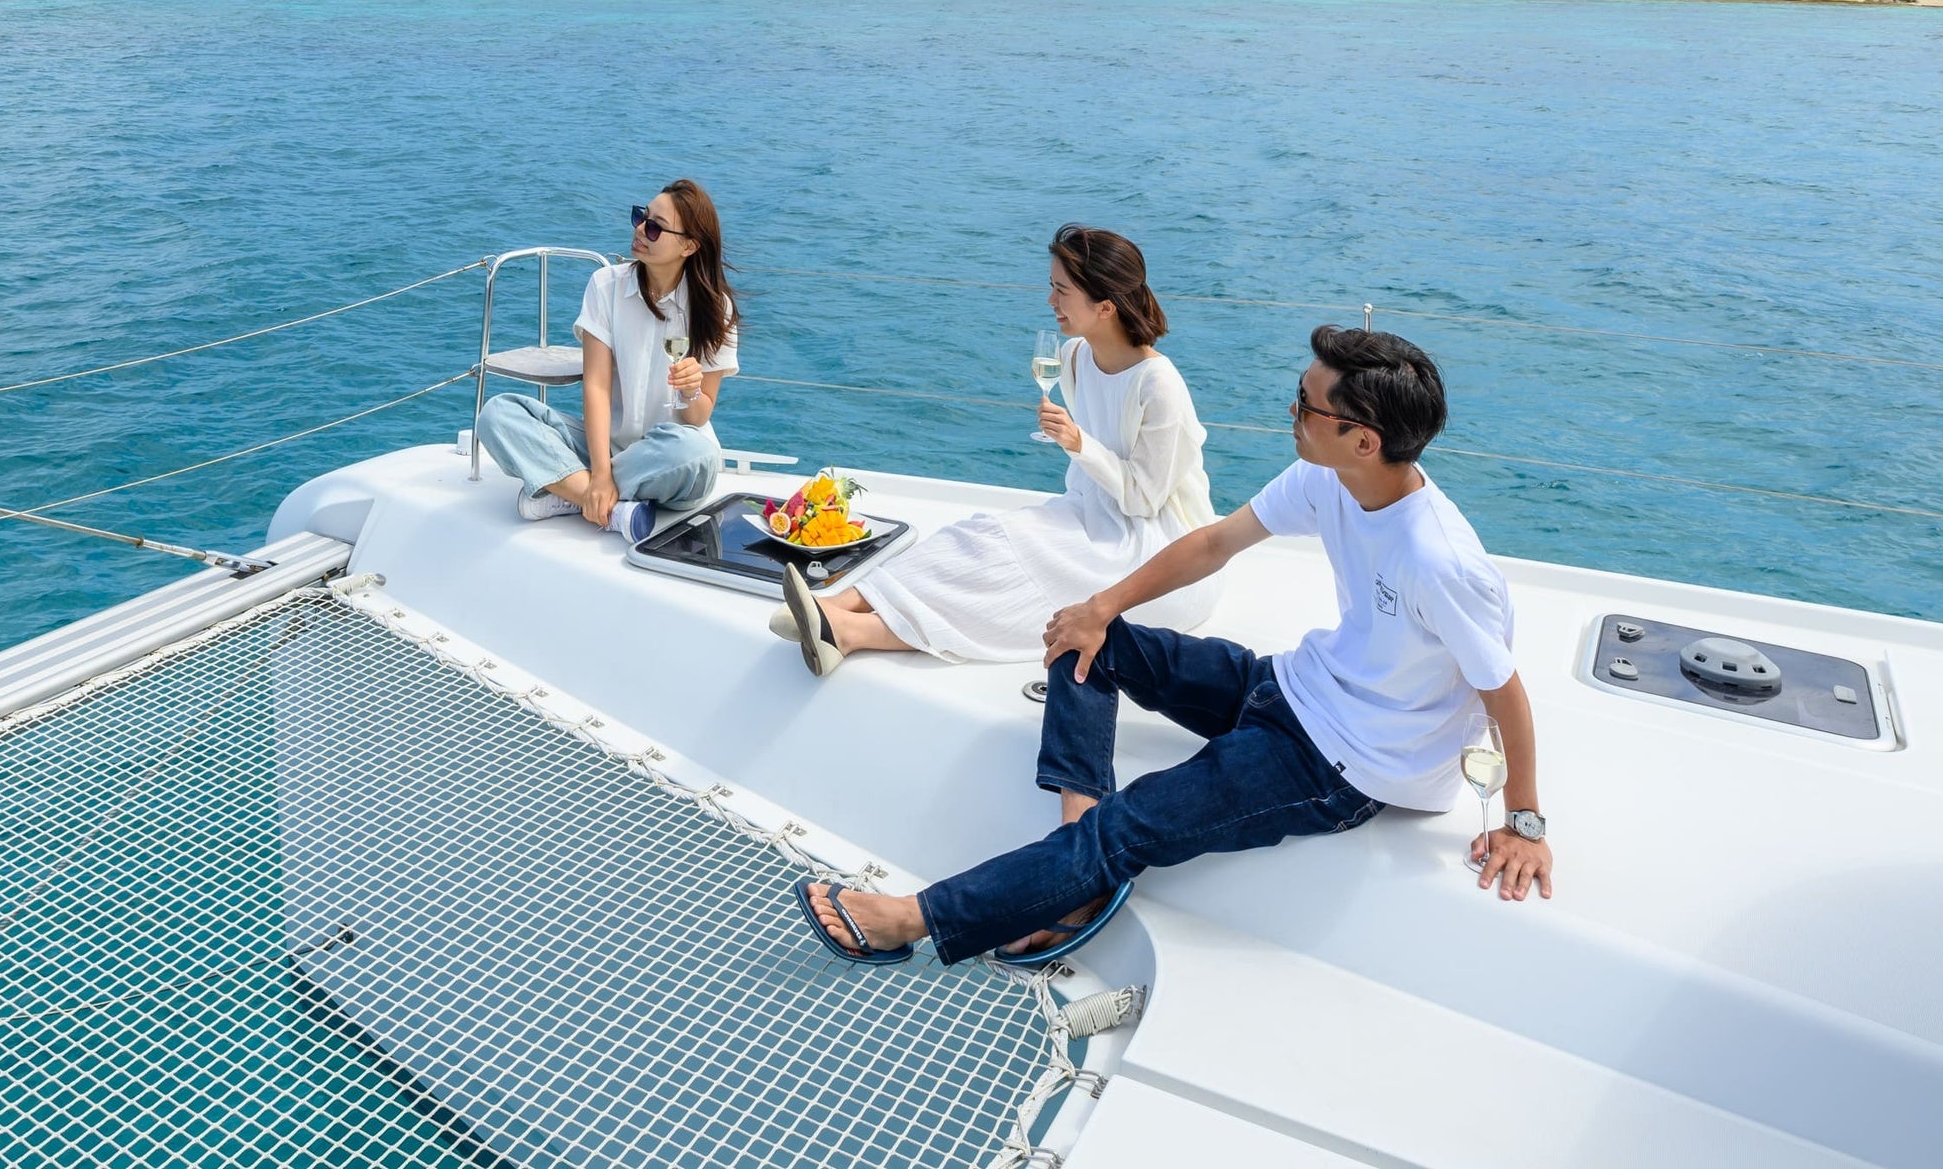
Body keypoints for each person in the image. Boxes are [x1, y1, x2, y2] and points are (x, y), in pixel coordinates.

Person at [796, 323, 1552, 969]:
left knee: (1131, 824)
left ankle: (911, 921)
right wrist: (1102, 606)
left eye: (1305, 404)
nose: (1290, 412)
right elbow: (1215, 542)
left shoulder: (1438, 560)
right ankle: (1078, 852)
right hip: (1291, 684)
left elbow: (1505, 691)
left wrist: (1524, 822)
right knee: (1082, 636)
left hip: (1341, 763)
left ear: (1363, 439)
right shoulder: (1328, 478)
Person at [773, 226, 1212, 676]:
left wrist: (1080, 444)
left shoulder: (1158, 384)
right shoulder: (1075, 356)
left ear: (1105, 306)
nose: (1050, 301)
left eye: (1062, 291)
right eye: (1052, 286)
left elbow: (1144, 500)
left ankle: (851, 632)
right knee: (980, 535)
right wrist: (1081, 450)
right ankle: (837, 605)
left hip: (1155, 549)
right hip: (1090, 511)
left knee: (1013, 576)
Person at [477, 179, 738, 542]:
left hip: (668, 458)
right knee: (497, 414)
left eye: (655, 228)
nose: (640, 230)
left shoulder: (716, 309)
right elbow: (596, 386)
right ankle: (603, 501)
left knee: (696, 454)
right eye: (640, 217)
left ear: (689, 246)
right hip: (604, 447)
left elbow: (698, 417)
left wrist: (691, 391)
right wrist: (600, 473)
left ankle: (568, 492)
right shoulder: (606, 286)